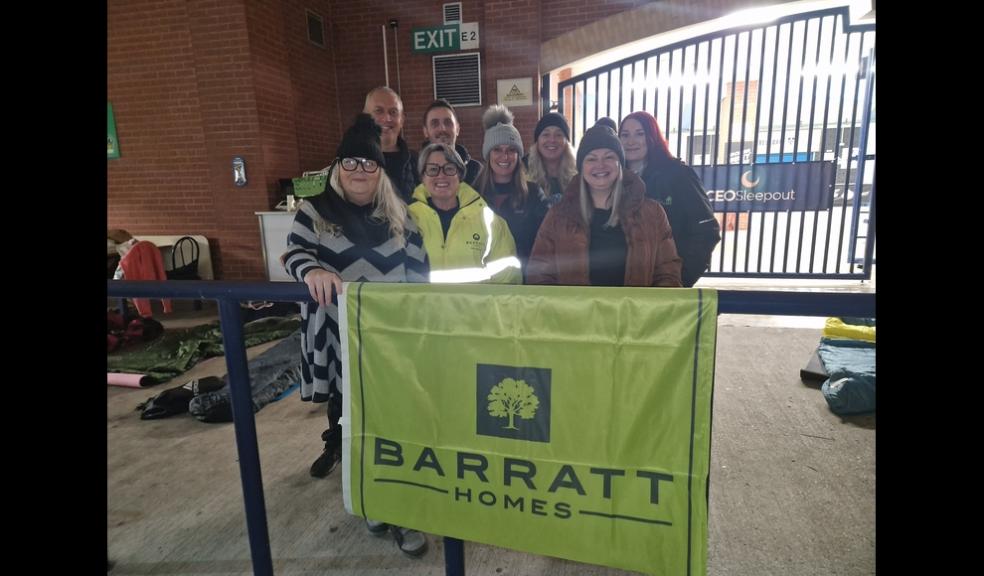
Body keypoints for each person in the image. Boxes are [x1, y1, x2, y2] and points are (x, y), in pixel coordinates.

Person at [282, 113, 430, 557]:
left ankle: (399, 502)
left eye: (368, 164)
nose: (359, 172)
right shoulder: (316, 211)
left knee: (395, 424)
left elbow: (421, 277)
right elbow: (294, 254)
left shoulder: (401, 216)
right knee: (355, 424)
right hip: (339, 339)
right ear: (337, 166)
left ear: (380, 170)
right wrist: (313, 269)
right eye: (350, 162)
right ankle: (377, 503)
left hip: (391, 344)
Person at [527, 121, 682, 287]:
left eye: (609, 157)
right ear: (581, 166)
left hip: (635, 313)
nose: (600, 165)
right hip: (575, 313)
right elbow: (539, 275)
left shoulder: (651, 214)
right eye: (591, 159)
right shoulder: (558, 216)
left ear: (620, 164)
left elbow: (668, 274)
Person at [619, 111, 721, 287]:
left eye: (640, 133)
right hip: (625, 286)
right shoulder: (612, 177)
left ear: (652, 137)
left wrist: (679, 278)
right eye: (625, 135)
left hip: (666, 285)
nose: (631, 141)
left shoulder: (679, 174)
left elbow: (707, 231)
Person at [408, 142, 521, 284]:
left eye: (449, 169)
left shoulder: (490, 222)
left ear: (460, 175)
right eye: (432, 169)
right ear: (422, 176)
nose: (441, 175)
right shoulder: (406, 219)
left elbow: (508, 280)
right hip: (422, 307)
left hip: (476, 307)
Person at [473, 104, 547, 278]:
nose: (504, 157)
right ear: (488, 154)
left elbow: (545, 242)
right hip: (484, 285)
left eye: (511, 150)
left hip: (524, 283)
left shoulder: (534, 194)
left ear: (518, 155)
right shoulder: (473, 195)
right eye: (497, 150)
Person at [364, 86, 419, 202]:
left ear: (402, 120)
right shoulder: (349, 164)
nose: (387, 118)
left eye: (393, 112)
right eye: (379, 111)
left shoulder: (418, 162)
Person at [420, 98, 483, 186]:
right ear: (425, 131)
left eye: (448, 122)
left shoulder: (476, 171)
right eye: (435, 123)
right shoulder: (415, 171)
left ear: (457, 129)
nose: (442, 128)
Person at [526, 112, 577, 207]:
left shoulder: (579, 173)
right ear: (537, 141)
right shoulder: (523, 171)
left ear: (566, 142)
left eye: (558, 135)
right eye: (546, 134)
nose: (552, 140)